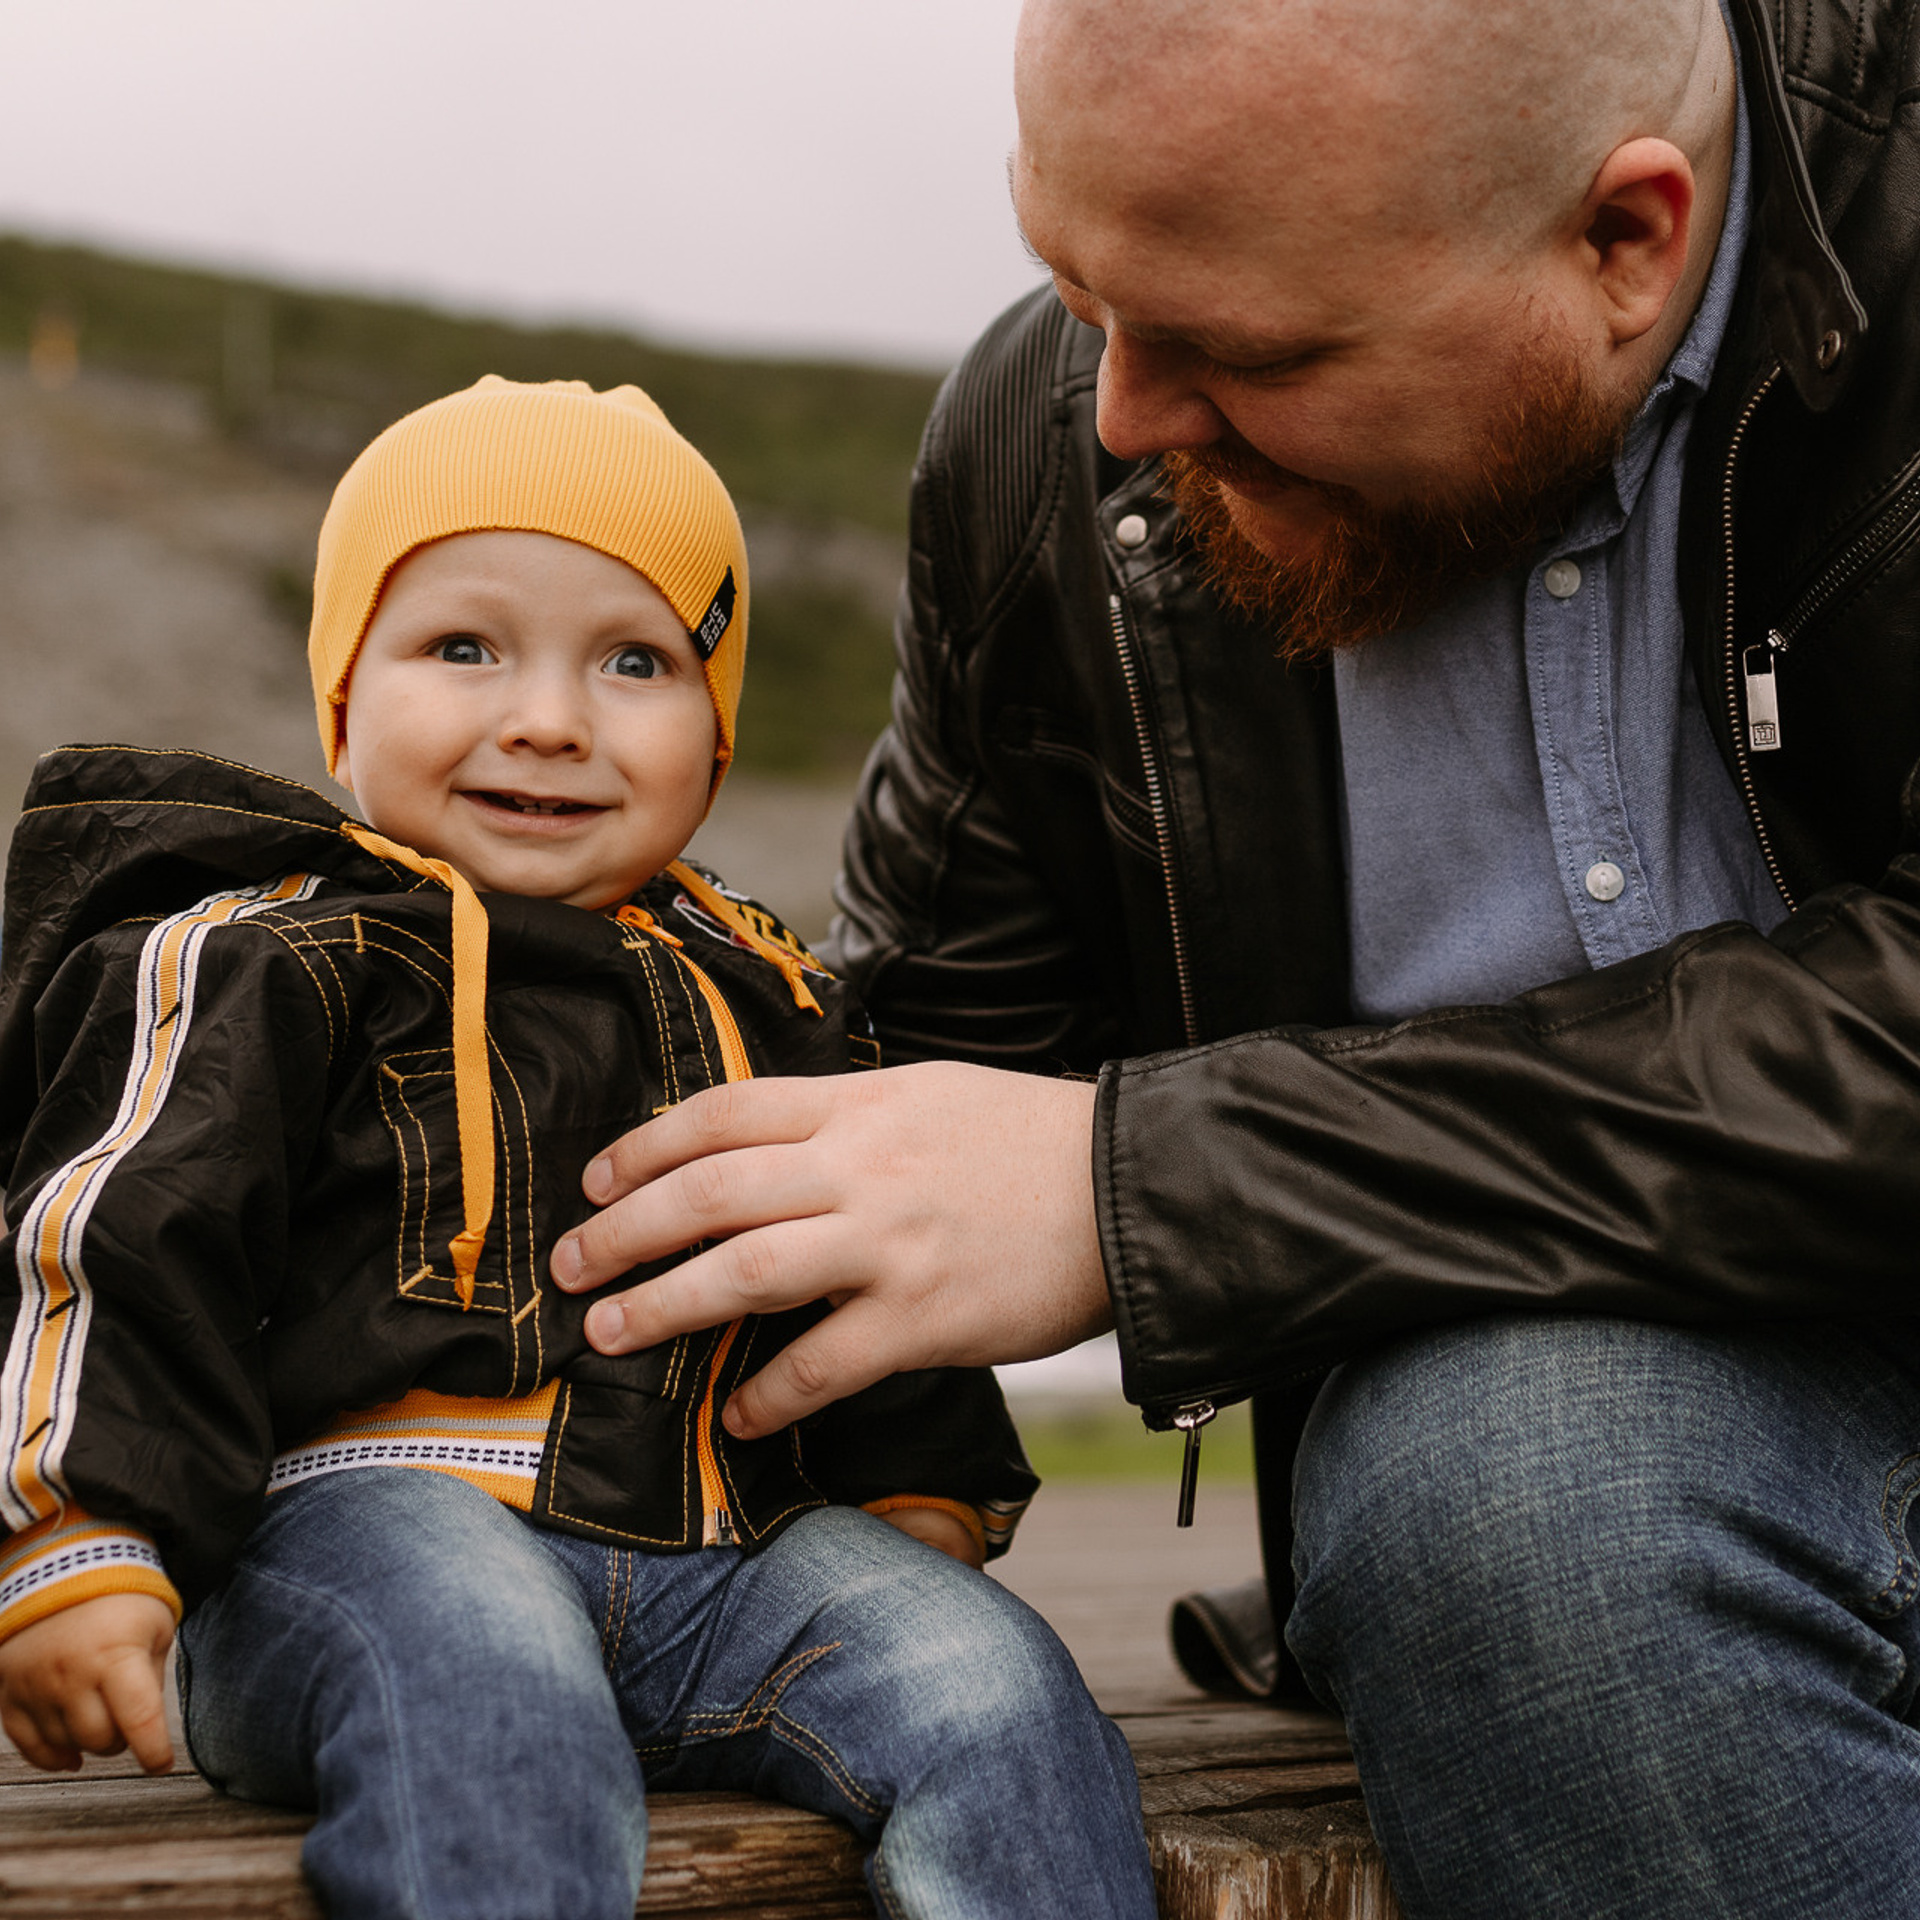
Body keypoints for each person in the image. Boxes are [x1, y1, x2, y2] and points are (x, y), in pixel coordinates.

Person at [548, 2, 1920, 1914]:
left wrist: (1147, 1190)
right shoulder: (1051, 442)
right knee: (1521, 1491)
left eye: (1244, 349)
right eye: (1077, 288)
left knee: (1535, 1481)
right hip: (1538, 1511)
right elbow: (905, 1070)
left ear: (1627, 238)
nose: (1115, 412)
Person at [0, 377, 1156, 1920]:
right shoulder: (262, 957)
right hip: (348, 1541)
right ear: (345, 699)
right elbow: (115, 1233)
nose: (548, 717)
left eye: (635, 659)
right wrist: (78, 1526)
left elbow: (861, 1254)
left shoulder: (779, 997)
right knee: (482, 1663)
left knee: (990, 1679)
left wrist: (915, 1484)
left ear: (716, 741)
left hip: (714, 1558)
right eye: (463, 647)